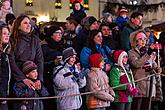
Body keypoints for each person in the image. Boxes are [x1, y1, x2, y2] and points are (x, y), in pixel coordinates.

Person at [9, 14, 44, 108]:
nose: (29, 25)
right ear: (18, 26)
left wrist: (39, 79)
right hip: (17, 79)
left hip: (33, 77)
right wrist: (22, 78)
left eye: (29, 23)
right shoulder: (12, 40)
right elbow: (11, 61)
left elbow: (40, 60)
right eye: (25, 23)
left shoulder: (35, 40)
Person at [128, 30, 163, 110]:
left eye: (145, 39)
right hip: (139, 87)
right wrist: (148, 54)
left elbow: (154, 65)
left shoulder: (148, 52)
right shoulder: (131, 52)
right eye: (140, 39)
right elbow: (136, 64)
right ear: (136, 41)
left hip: (150, 86)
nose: (143, 40)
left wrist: (158, 69)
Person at [0, 25, 11, 110]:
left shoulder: (4, 53)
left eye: (8, 33)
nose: (7, 36)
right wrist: (2, 94)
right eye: (4, 33)